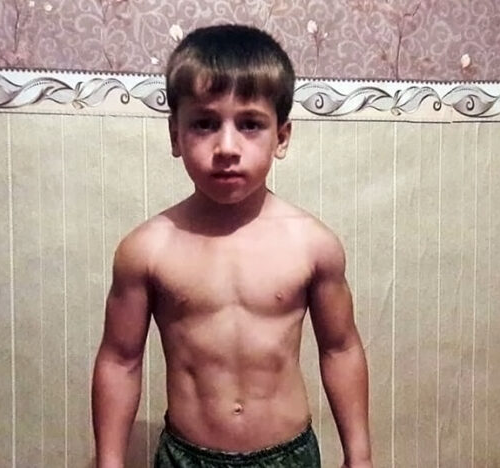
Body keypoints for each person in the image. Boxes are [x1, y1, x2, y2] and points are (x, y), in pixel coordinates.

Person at [91, 24, 372, 468]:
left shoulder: (312, 244)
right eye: (204, 123)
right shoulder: (147, 249)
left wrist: (360, 456)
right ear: (175, 135)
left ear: (282, 137)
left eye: (250, 124)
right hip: (187, 457)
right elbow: (119, 361)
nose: (226, 147)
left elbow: (341, 349)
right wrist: (109, 462)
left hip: (287, 457)